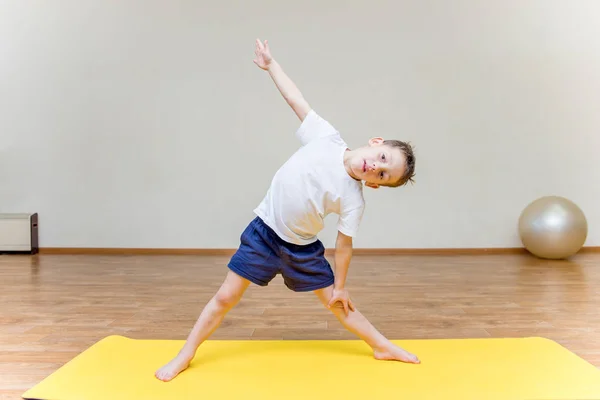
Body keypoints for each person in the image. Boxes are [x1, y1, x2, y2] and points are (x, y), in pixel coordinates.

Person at [155, 39, 419, 382]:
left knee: (339, 305)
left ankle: (382, 346)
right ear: (376, 142)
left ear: (375, 185)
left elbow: (344, 245)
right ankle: (185, 354)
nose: (376, 168)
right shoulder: (326, 137)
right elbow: (296, 99)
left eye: (384, 175)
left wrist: (341, 285)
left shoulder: (355, 198)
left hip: (302, 250)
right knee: (224, 297)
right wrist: (271, 65)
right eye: (383, 159)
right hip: (263, 235)